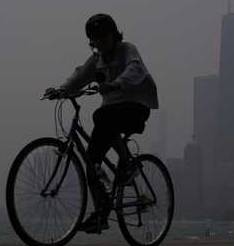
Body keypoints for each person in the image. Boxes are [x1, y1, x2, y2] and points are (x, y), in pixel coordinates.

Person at [45, 14, 158, 234]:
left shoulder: (127, 50)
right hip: (111, 113)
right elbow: (79, 76)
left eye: (103, 37)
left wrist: (115, 84)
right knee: (91, 162)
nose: (99, 43)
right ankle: (101, 214)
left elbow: (134, 69)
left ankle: (128, 165)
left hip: (137, 106)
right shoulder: (97, 60)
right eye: (95, 40)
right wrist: (60, 90)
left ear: (114, 35)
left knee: (101, 116)